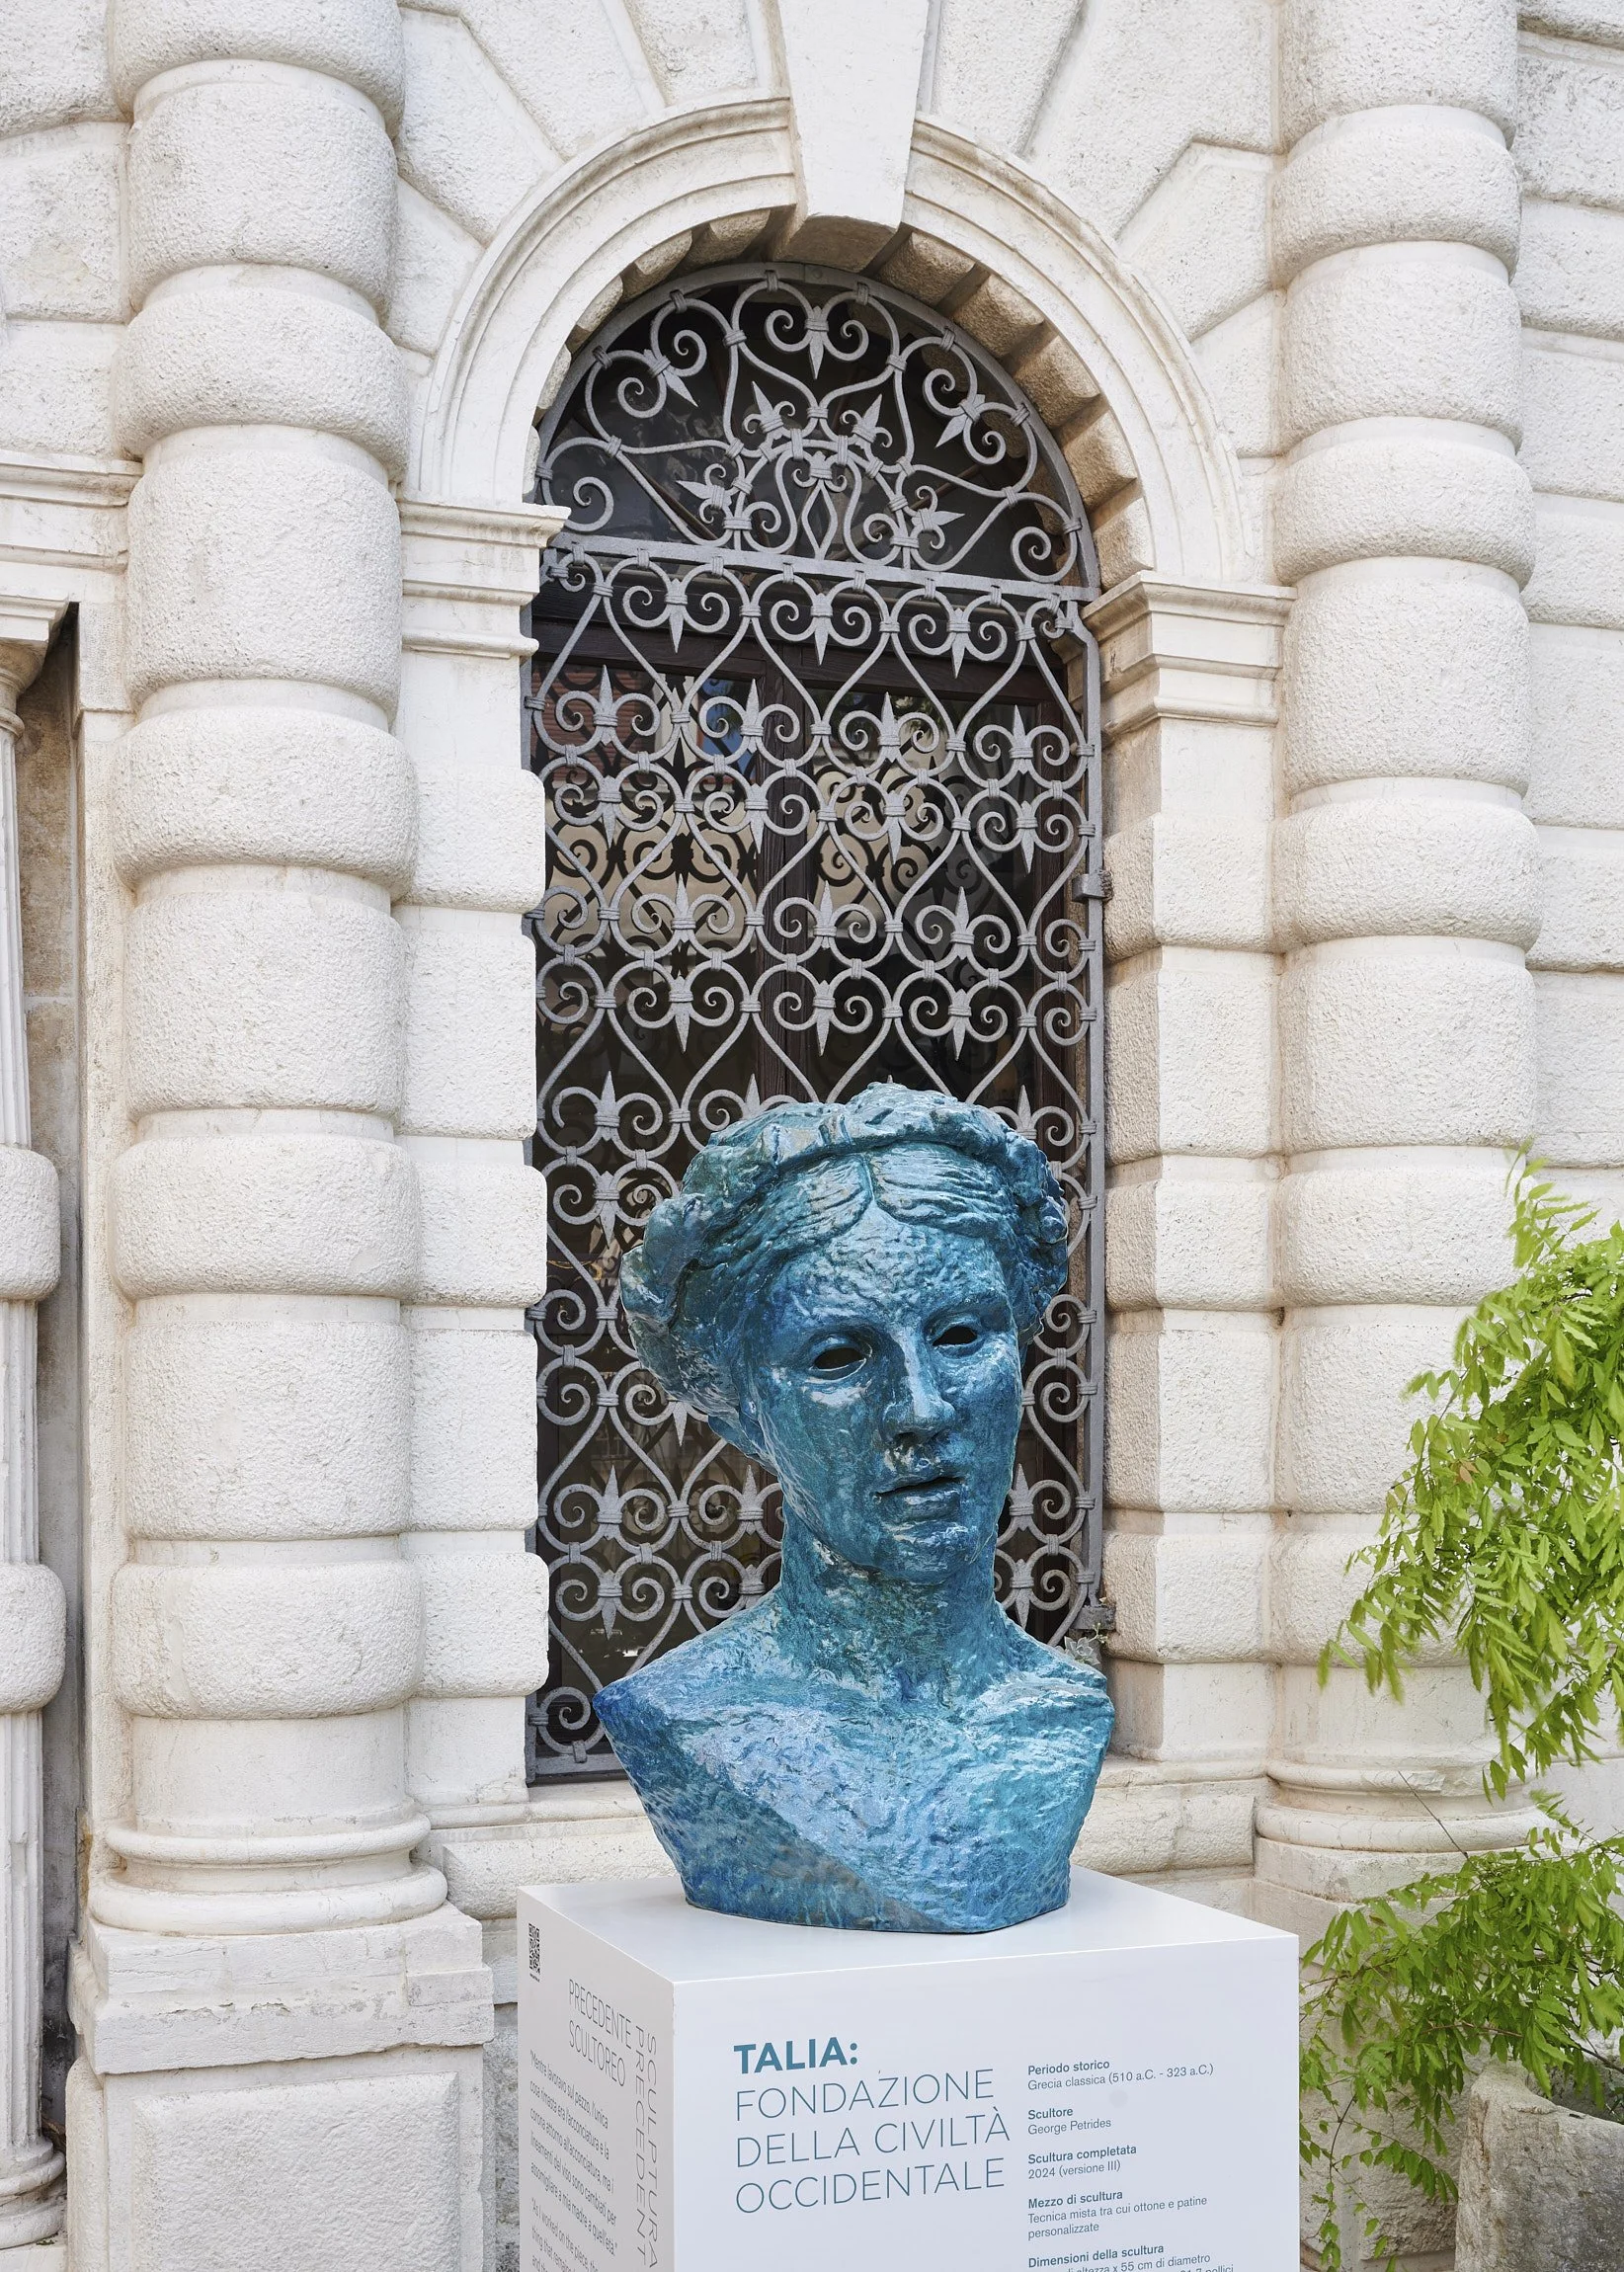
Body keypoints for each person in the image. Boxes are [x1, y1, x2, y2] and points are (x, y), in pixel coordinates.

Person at [599, 1083, 1113, 1932]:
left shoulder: (1065, 1711)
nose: (922, 1408)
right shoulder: (690, 1718)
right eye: (838, 1356)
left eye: (960, 1337)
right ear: (739, 1410)